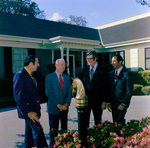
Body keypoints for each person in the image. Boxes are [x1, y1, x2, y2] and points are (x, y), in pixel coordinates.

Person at [13, 55, 48, 148]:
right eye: (37, 63)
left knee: (29, 134)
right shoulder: (20, 75)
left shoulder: (31, 75)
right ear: (31, 63)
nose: (39, 65)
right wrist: (28, 112)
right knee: (38, 130)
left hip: (34, 109)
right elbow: (18, 97)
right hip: (28, 111)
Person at [45, 59, 72, 147]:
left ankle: (64, 145)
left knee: (64, 130)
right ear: (56, 65)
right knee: (54, 130)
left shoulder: (67, 78)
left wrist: (66, 104)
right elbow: (49, 93)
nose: (63, 67)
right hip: (53, 108)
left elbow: (69, 92)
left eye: (64, 65)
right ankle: (53, 146)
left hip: (64, 108)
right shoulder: (49, 77)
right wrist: (58, 105)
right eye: (61, 65)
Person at [81, 50, 109, 127]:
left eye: (90, 59)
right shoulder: (84, 69)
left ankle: (97, 137)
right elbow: (82, 84)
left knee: (98, 121)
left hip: (98, 101)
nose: (88, 60)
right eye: (87, 59)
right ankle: (86, 137)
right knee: (85, 121)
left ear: (95, 58)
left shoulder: (103, 70)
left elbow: (106, 87)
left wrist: (104, 101)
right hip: (86, 101)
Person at [107, 55, 133, 125]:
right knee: (115, 122)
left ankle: (122, 135)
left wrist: (124, 104)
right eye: (111, 61)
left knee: (120, 121)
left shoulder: (127, 74)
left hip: (121, 103)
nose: (112, 63)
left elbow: (129, 91)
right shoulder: (111, 74)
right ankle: (116, 135)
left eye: (114, 61)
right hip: (113, 103)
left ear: (120, 62)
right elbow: (109, 89)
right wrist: (109, 102)